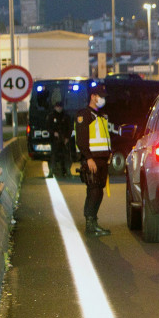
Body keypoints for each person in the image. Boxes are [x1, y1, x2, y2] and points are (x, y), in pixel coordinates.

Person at [75, 84, 112, 236]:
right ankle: (90, 225)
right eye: (100, 96)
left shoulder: (100, 116)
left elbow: (105, 137)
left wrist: (109, 153)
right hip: (93, 160)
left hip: (102, 159)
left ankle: (94, 223)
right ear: (93, 97)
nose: (102, 99)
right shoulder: (85, 115)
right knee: (94, 191)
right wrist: (88, 158)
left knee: (99, 192)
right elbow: (81, 140)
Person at [45, 101, 72, 178]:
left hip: (64, 139)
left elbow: (69, 128)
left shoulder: (66, 116)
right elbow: (48, 127)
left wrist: (67, 137)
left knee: (67, 156)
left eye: (60, 107)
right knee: (53, 156)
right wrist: (53, 133)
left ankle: (68, 171)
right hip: (55, 140)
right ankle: (51, 172)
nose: (59, 108)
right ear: (55, 107)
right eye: (57, 107)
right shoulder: (51, 116)